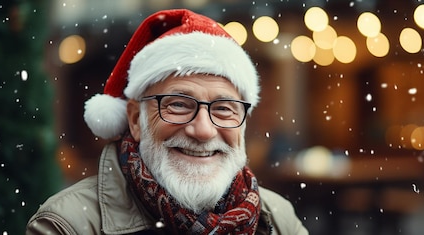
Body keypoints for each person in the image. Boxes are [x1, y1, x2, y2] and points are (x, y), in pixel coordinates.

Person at [26, 9, 308, 235]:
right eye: (179, 105)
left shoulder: (277, 219)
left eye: (223, 109)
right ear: (136, 120)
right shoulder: (68, 225)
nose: (203, 130)